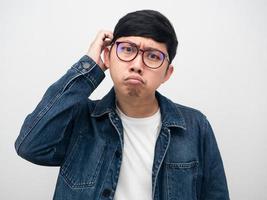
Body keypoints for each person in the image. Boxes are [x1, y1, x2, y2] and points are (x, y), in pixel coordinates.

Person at [15, 9, 230, 200]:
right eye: (127, 50)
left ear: (167, 73)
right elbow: (30, 146)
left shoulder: (195, 126)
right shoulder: (79, 118)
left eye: (153, 56)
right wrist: (89, 68)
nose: (137, 65)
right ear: (108, 56)